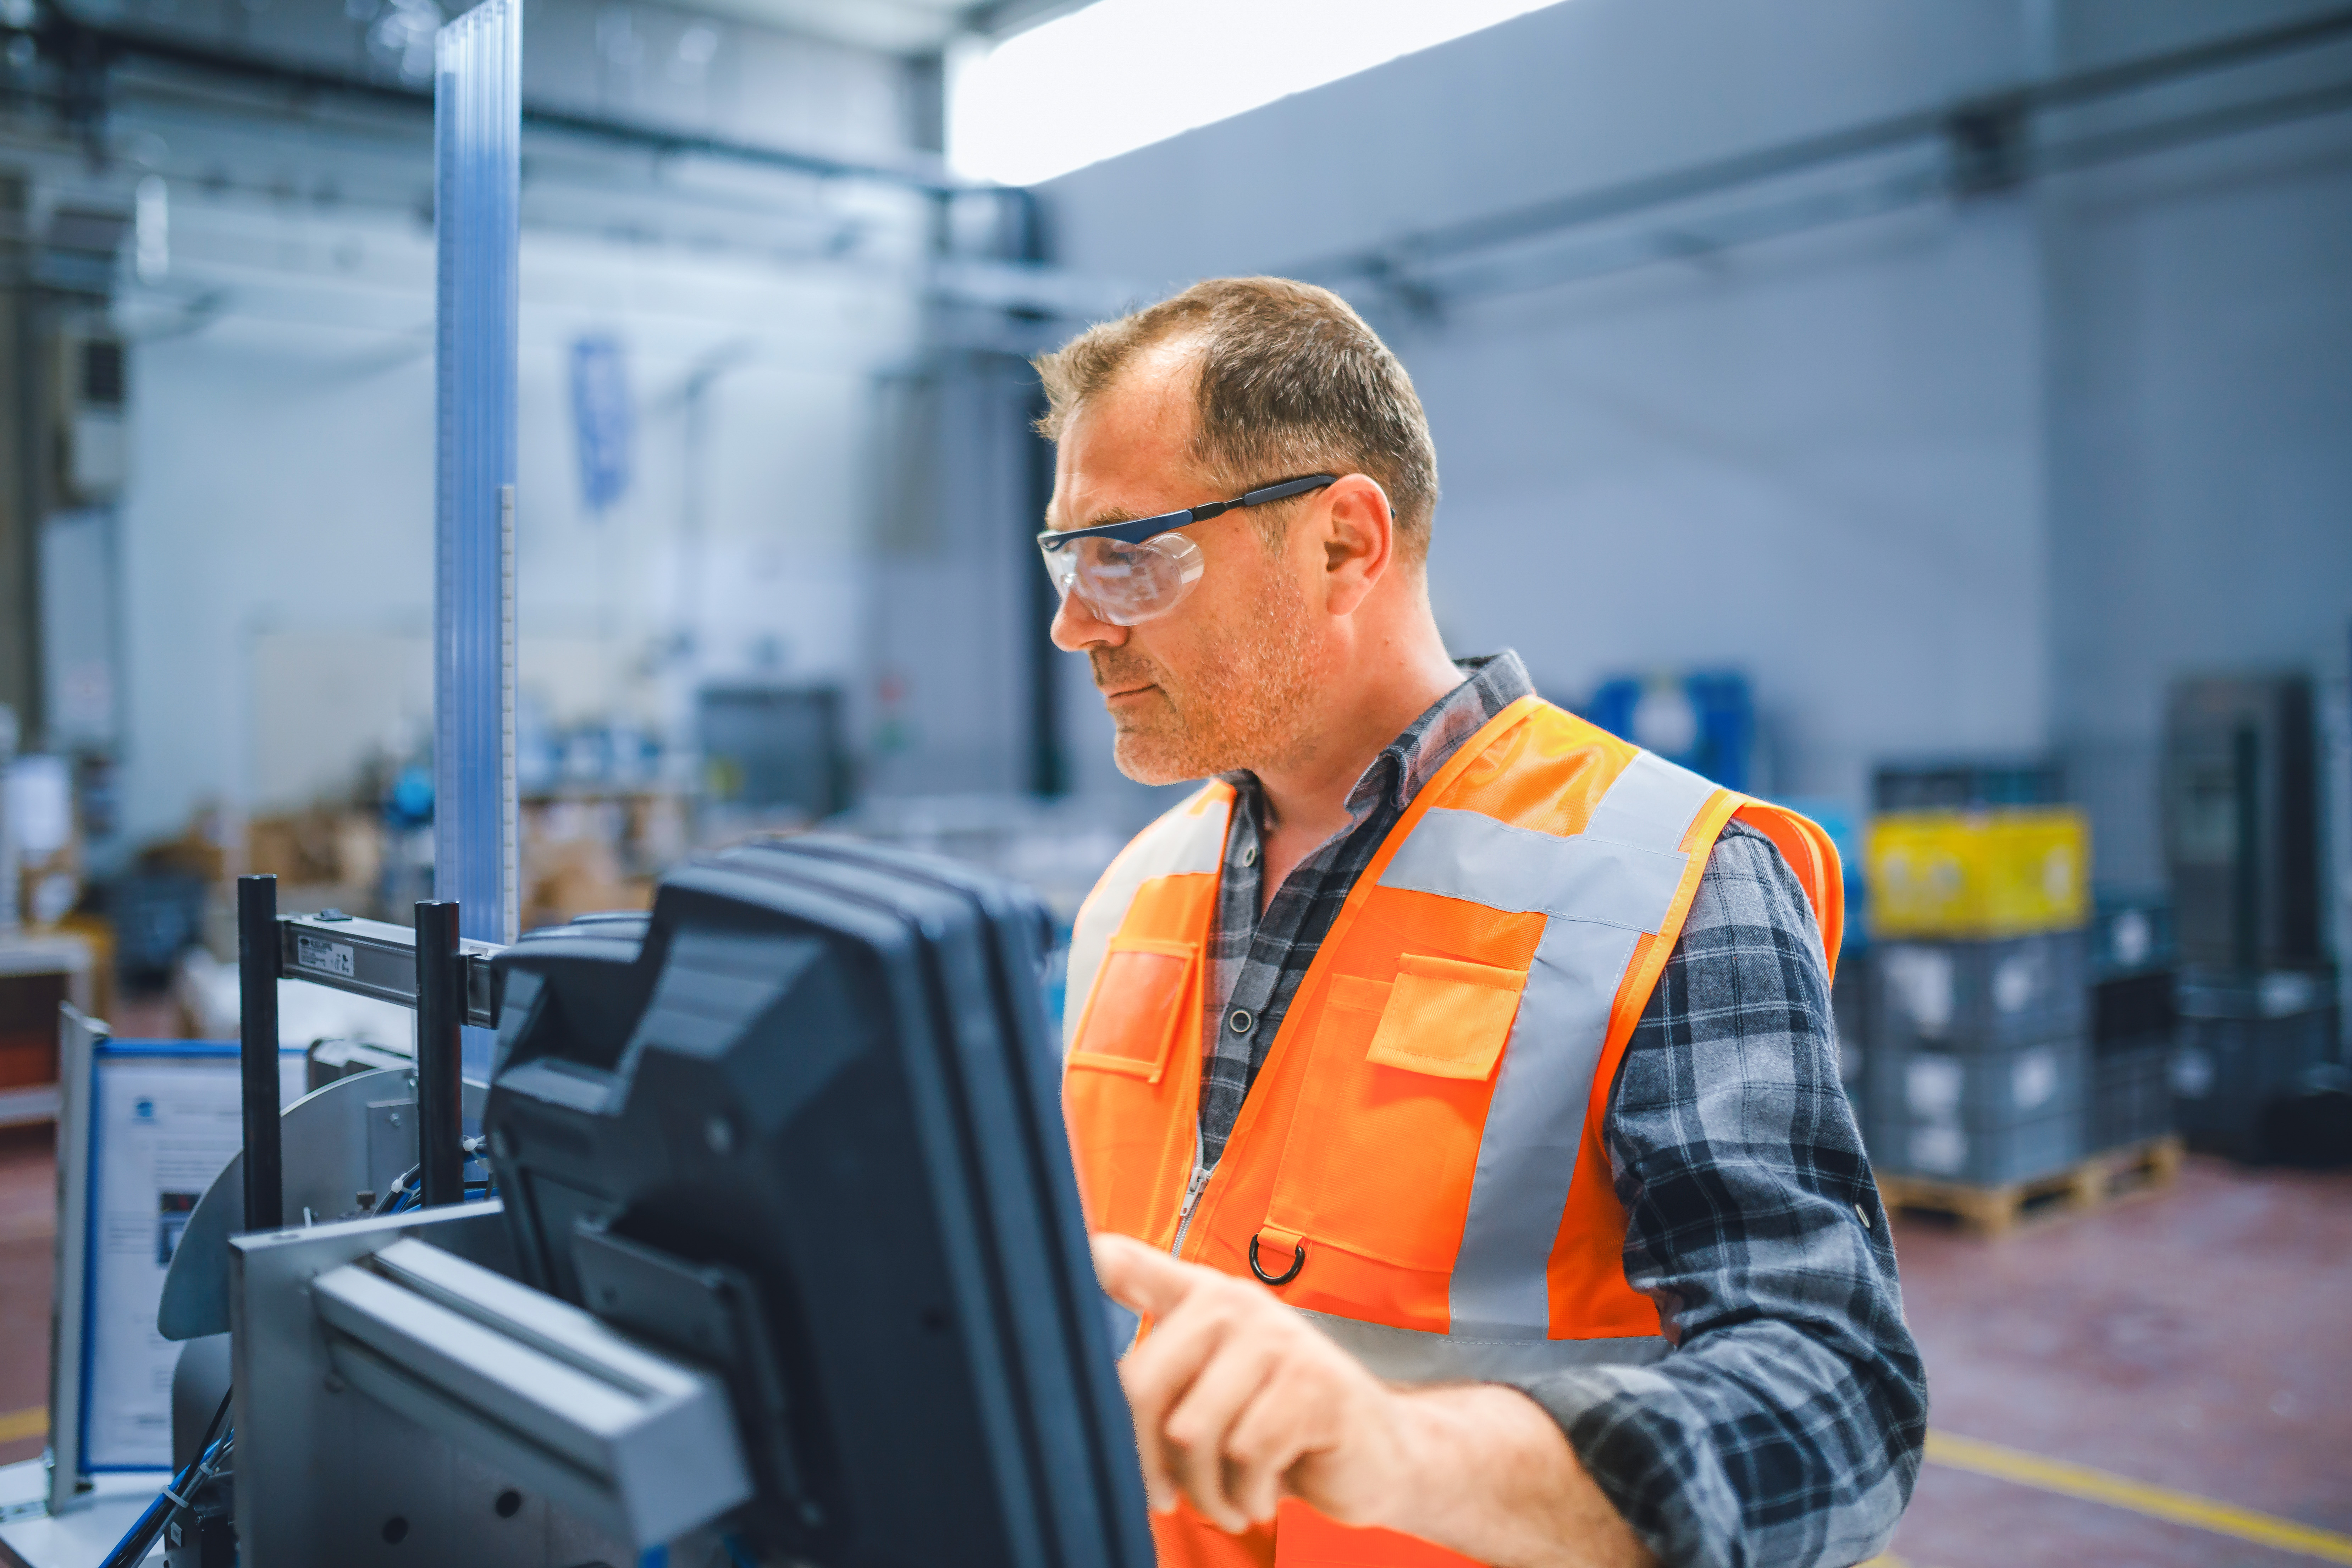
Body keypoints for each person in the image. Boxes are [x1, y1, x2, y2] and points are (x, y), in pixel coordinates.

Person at [1038, 277, 1926, 1568]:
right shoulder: (1133, 890)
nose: (1077, 624)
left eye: (1128, 552)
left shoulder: (1666, 881)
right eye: (1067, 558)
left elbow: (1837, 1408)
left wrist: (1401, 1451)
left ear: (1345, 542)